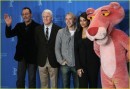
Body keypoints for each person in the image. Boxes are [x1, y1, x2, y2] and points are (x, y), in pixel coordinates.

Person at [4, 7, 40, 88]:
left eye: (26, 14)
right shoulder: (19, 26)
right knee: (20, 80)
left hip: (33, 58)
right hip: (21, 57)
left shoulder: (37, 26)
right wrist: (8, 25)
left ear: (31, 14)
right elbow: (8, 35)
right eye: (23, 14)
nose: (25, 16)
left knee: (32, 80)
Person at [34, 9, 61, 88]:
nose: (45, 18)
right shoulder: (37, 29)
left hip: (54, 60)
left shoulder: (58, 29)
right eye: (43, 17)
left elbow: (59, 46)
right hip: (41, 61)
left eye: (47, 16)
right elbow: (36, 45)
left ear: (52, 17)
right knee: (44, 84)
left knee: (54, 85)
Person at [74, 12, 100, 88]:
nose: (82, 22)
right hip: (82, 66)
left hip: (93, 64)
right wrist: (78, 67)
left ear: (88, 21)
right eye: (80, 20)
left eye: (84, 20)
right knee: (82, 86)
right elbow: (76, 51)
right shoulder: (77, 33)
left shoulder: (94, 32)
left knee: (93, 85)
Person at [55, 12, 79, 88]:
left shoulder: (79, 31)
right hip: (65, 65)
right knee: (65, 86)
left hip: (77, 65)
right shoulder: (60, 32)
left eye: (70, 19)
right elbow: (57, 48)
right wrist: (61, 61)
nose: (68, 21)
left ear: (74, 20)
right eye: (66, 19)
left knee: (78, 86)